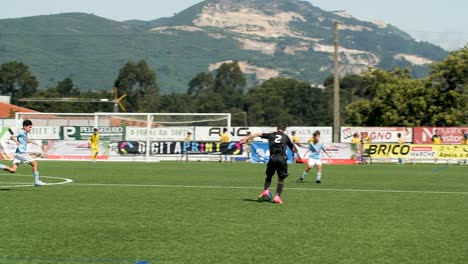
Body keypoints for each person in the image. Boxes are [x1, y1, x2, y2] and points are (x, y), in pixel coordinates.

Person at [239, 123, 297, 204]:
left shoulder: (271, 135)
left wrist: (246, 138)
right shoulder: (286, 137)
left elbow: (257, 134)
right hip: (282, 158)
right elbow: (293, 149)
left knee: (269, 176)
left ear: (277, 128)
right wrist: (295, 148)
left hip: (272, 158)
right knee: (280, 179)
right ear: (284, 129)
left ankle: (266, 190)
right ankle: (277, 196)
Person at [0, 120, 45, 186]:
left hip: (18, 153)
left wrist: (33, 142)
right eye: (30, 127)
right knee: (34, 163)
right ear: (25, 127)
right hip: (21, 153)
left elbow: (25, 140)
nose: (30, 129)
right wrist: (16, 142)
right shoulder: (21, 131)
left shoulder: (24, 133)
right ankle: (37, 182)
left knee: (13, 170)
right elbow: (11, 136)